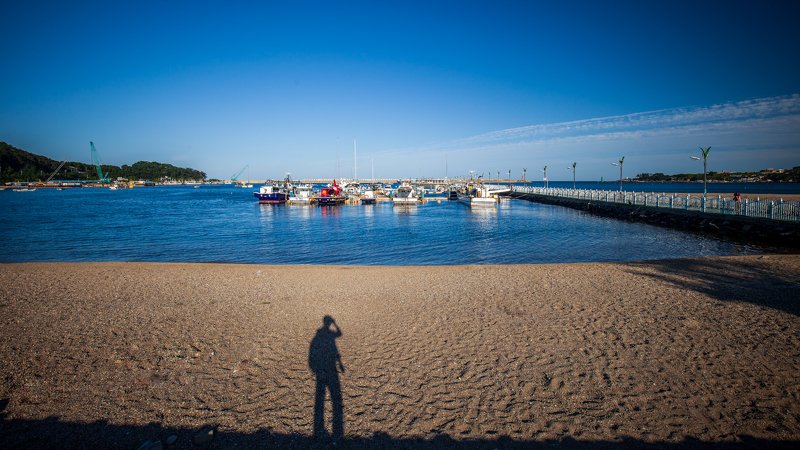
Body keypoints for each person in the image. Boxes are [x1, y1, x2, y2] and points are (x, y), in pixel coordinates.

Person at [309, 315, 344, 442]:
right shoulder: (327, 334)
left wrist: (315, 369)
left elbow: (312, 354)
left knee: (321, 397)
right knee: (334, 398)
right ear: (329, 323)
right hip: (328, 369)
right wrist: (335, 323)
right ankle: (327, 431)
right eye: (331, 322)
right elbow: (339, 333)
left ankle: (318, 429)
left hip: (324, 369)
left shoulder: (319, 336)